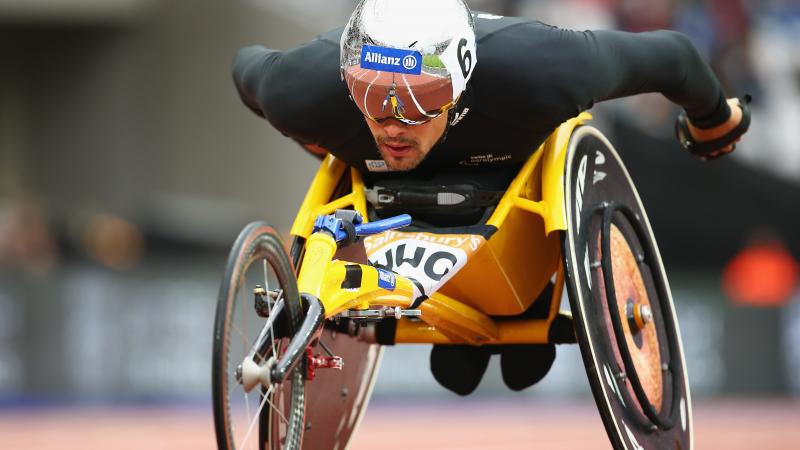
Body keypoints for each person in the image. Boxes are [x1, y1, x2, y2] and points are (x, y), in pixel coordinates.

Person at [232, 0, 750, 395]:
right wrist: (315, 135)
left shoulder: (542, 66)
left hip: (513, 188)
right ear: (348, 78)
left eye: (420, 97)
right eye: (372, 93)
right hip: (387, 202)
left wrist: (716, 118)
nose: (393, 122)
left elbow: (674, 57)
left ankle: (524, 298)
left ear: (458, 81)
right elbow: (246, 67)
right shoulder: (304, 87)